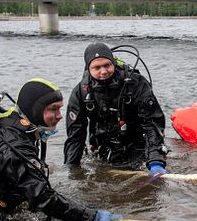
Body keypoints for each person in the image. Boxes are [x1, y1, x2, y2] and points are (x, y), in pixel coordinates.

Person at [0, 78, 121, 221]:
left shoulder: (14, 124)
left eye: (60, 108)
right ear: (35, 109)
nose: (59, 116)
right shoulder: (13, 146)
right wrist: (91, 215)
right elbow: (43, 198)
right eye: (53, 109)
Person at [64, 43, 168, 175]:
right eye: (97, 67)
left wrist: (156, 161)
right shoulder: (81, 92)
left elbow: (152, 124)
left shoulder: (136, 83)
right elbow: (75, 136)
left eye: (107, 65)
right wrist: (71, 168)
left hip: (138, 148)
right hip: (102, 150)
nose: (103, 71)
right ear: (88, 69)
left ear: (113, 63)